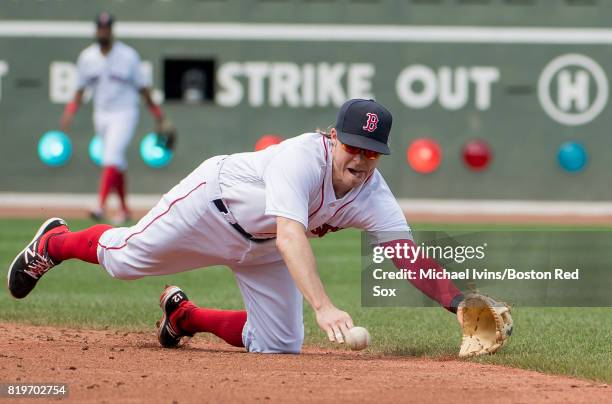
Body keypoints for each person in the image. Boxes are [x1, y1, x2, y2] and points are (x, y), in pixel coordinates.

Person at [9, 99, 464, 353]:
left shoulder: (373, 192)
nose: (361, 159)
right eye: (353, 147)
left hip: (264, 245)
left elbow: (406, 255)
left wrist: (461, 304)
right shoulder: (301, 159)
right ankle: (54, 242)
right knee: (124, 261)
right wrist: (324, 307)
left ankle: (184, 318)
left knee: (280, 343)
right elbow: (291, 235)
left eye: (371, 151)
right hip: (211, 207)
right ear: (332, 138)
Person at [60, 12, 165, 225]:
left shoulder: (128, 56)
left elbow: (143, 88)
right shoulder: (87, 57)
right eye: (100, 28)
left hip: (125, 112)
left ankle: (100, 205)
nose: (103, 31)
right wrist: (70, 111)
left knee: (111, 156)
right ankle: (125, 209)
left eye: (106, 28)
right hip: (101, 113)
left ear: (112, 30)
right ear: (96, 30)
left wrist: (157, 114)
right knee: (116, 161)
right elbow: (81, 88)